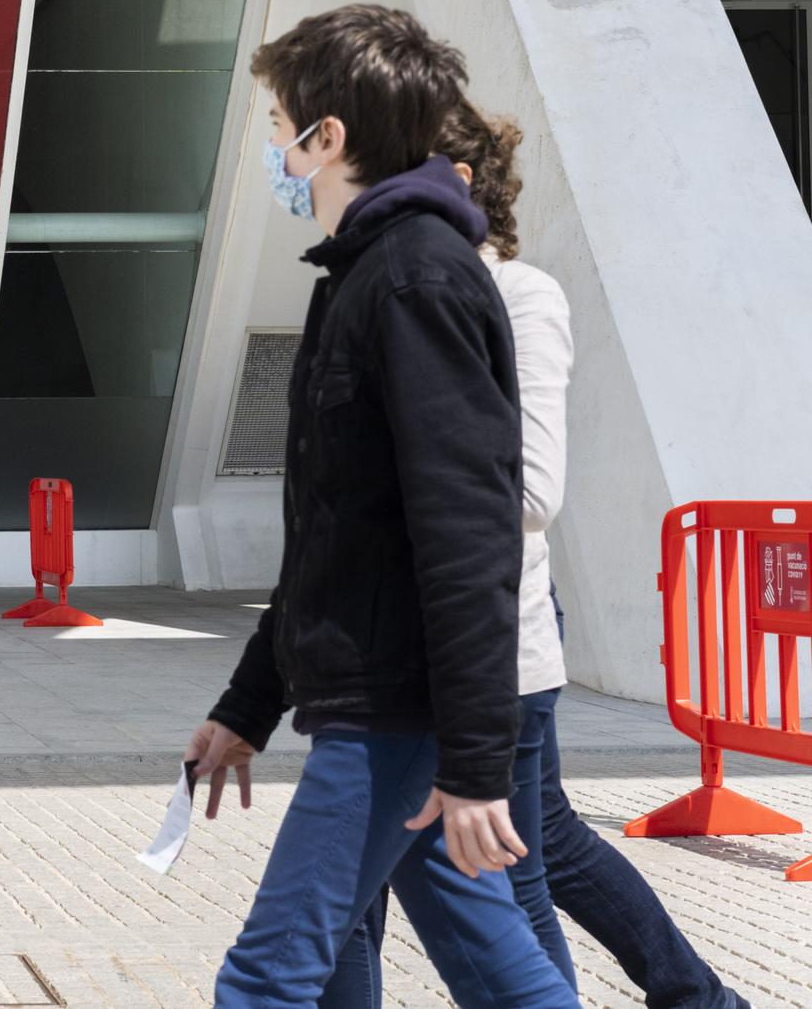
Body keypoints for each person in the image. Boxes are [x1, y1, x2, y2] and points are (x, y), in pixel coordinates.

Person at [318, 103, 750, 1009]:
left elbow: (530, 492)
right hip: (386, 641)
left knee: (463, 871)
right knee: (495, 847)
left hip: (484, 639)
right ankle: (700, 999)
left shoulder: (520, 299)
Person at [190, 5, 574, 1007]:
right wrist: (244, 707)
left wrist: (476, 762)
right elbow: (335, 536)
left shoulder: (412, 279)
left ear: (328, 139)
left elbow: (464, 532)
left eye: (278, 127)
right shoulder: (363, 275)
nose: (270, 150)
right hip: (385, 700)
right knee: (497, 969)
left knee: (268, 977)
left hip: (394, 710)